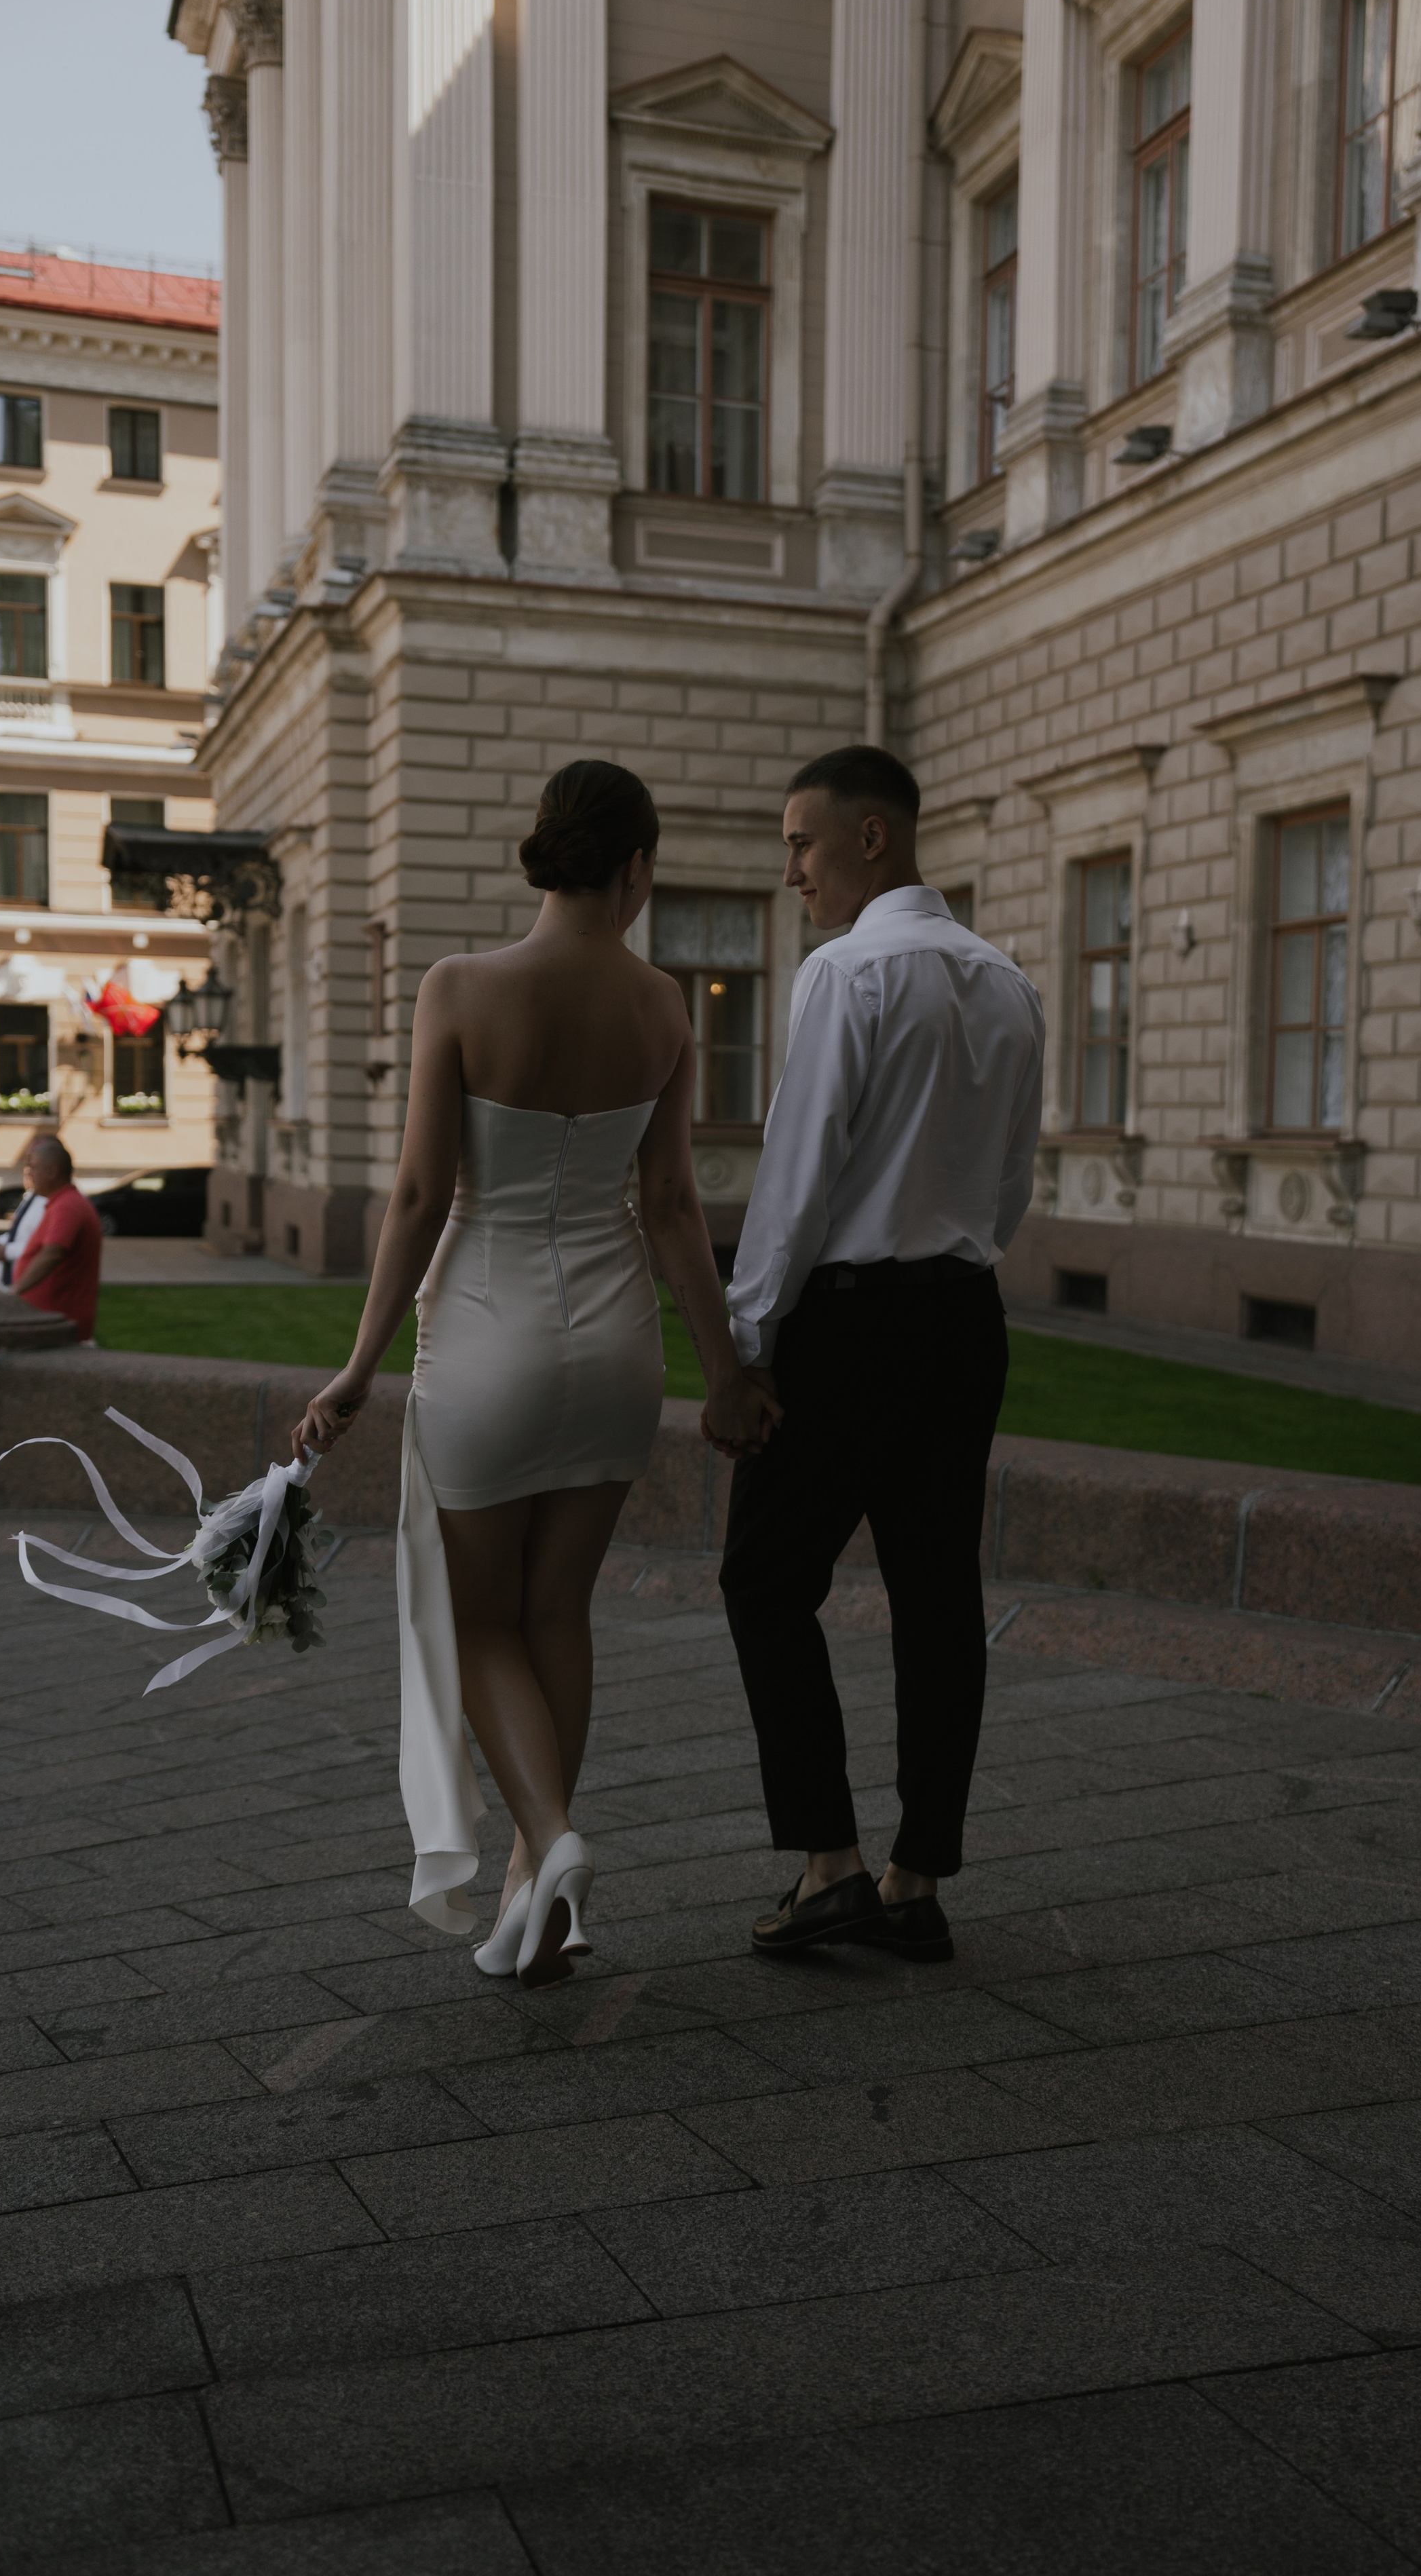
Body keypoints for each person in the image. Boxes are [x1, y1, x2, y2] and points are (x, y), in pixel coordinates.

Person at [292, 761, 778, 1987]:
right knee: (558, 1611)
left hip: (489, 1329)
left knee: (475, 1619)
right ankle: (539, 1907)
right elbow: (674, 1207)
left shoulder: (460, 989)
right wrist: (723, 1376)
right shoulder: (664, 1006)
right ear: (636, 870)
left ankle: (552, 1843)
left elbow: (415, 1195)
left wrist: (356, 1365)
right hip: (616, 1343)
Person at [715, 745, 1044, 1966]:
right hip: (965, 1318)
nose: (790, 868)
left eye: (802, 842)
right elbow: (1009, 1191)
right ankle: (916, 1881)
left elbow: (795, 1185)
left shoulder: (841, 974)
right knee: (939, 1600)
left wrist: (745, 1354)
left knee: (762, 1580)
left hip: (848, 1323)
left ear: (871, 839)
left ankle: (828, 1864)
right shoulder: (1009, 982)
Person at [6, 1135, 104, 1341]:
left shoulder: (67, 1206)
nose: (29, 1174)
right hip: (50, 1321)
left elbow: (52, 1253)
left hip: (58, 1323)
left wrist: (15, 1293)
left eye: (33, 1168)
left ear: (52, 1172)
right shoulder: (61, 1203)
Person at [0, 1156, 46, 1291]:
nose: (28, 1176)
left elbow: (43, 1246)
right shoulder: (30, 1197)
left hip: (28, 1283)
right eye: (26, 1172)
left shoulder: (46, 1202)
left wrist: (7, 1251)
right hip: (15, 1280)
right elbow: (17, 1232)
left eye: (32, 1170)